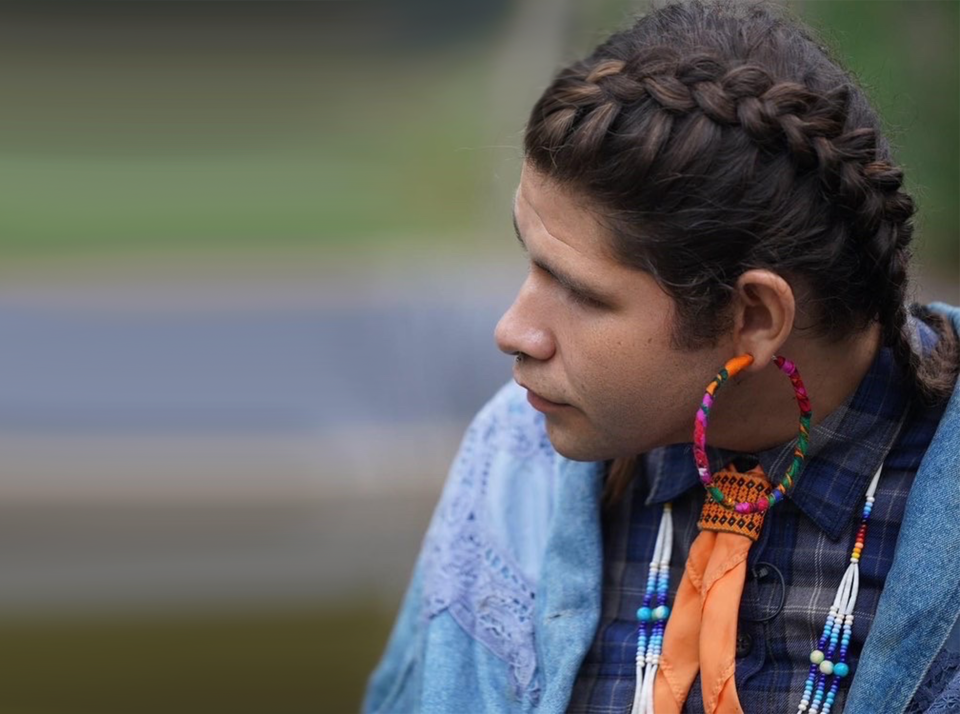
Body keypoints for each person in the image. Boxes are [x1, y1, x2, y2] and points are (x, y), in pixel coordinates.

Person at [363, 1, 960, 712]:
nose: (514, 331)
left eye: (581, 293)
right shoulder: (513, 460)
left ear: (756, 318)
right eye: (531, 262)